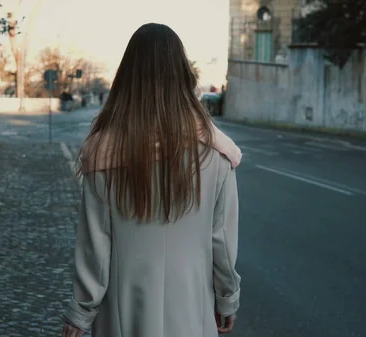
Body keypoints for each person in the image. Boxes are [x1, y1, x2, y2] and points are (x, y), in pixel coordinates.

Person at [61, 23, 243, 337]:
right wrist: (227, 298)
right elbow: (222, 241)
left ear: (126, 78)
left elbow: (96, 245)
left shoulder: (103, 152)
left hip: (123, 310)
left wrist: (81, 311)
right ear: (183, 75)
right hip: (192, 307)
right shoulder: (217, 151)